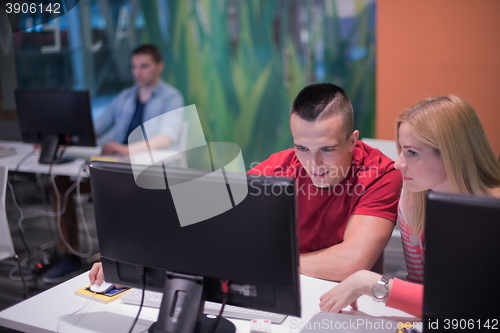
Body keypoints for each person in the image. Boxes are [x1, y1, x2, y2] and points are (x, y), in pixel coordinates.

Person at [88, 83, 402, 285]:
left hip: (350, 304)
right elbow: (196, 207)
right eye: (302, 148)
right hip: (290, 289)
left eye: (328, 150)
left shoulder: (381, 173)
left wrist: (263, 258)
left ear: (352, 141)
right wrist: (134, 253)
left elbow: (350, 264)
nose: (313, 164)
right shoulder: (282, 164)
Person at [318, 95, 500, 317]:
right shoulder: (412, 203)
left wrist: (373, 284)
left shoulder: (492, 217)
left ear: (452, 154)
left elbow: (473, 311)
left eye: (412, 153)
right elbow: (423, 289)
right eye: (402, 150)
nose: (398, 163)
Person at [43, 44, 184, 283]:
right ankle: (70, 255)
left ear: (159, 67)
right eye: (134, 67)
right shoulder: (125, 97)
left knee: (119, 193)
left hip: (150, 171)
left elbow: (165, 138)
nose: (138, 72)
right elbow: (94, 128)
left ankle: (125, 259)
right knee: (60, 183)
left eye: (144, 66)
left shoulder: (171, 97)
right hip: (115, 167)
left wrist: (125, 149)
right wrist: (60, 138)